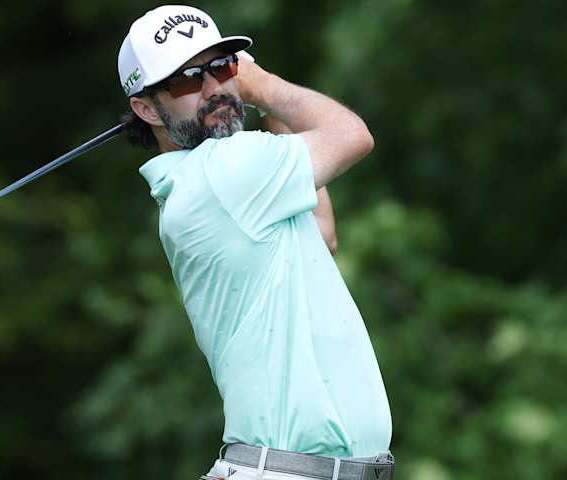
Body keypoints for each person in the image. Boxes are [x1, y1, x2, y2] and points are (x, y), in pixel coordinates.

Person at [118, 5, 394, 480]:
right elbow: (352, 135)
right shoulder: (224, 171)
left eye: (223, 67)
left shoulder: (219, 182)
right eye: (188, 80)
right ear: (146, 109)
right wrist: (260, 85)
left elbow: (323, 232)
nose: (215, 89)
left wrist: (264, 106)